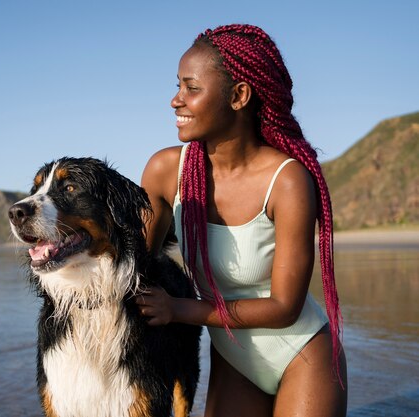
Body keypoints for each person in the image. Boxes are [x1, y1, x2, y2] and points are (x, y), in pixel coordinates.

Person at [135, 24, 348, 416]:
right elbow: (132, 265)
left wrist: (179, 309)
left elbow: (284, 306)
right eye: (177, 86)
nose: (175, 101)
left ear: (239, 95)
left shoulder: (287, 181)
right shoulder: (167, 171)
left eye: (191, 88)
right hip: (234, 360)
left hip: (300, 354)